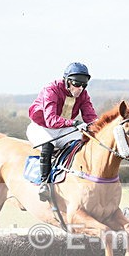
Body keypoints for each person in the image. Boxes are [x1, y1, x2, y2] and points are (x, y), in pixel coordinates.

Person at [27, 62, 98, 200]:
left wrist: (100, 128)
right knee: (48, 144)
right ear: (67, 81)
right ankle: (44, 184)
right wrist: (74, 122)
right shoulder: (51, 89)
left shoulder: (83, 95)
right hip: (41, 127)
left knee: (83, 143)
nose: (80, 89)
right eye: (77, 84)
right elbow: (51, 120)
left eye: (84, 85)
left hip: (64, 128)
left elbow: (91, 117)